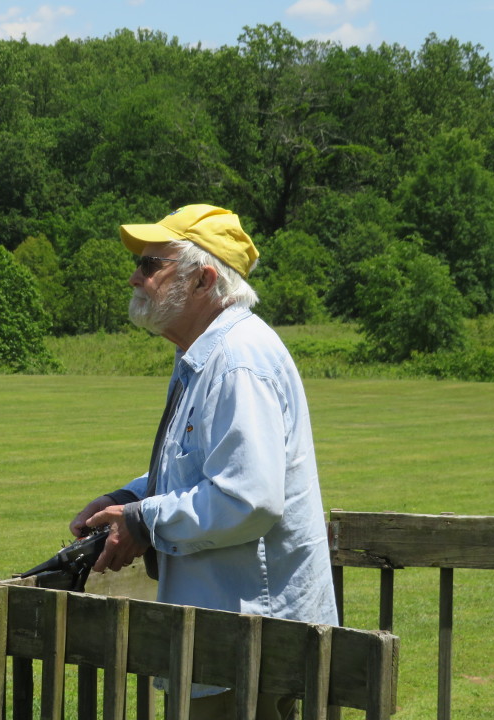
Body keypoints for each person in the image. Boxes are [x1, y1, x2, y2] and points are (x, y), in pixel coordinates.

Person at [70, 204, 339, 720]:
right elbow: (199, 468)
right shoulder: (207, 352)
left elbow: (247, 499)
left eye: (152, 266)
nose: (135, 276)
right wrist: (128, 499)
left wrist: (142, 521)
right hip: (227, 637)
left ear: (203, 280)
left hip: (250, 643)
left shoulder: (238, 360)